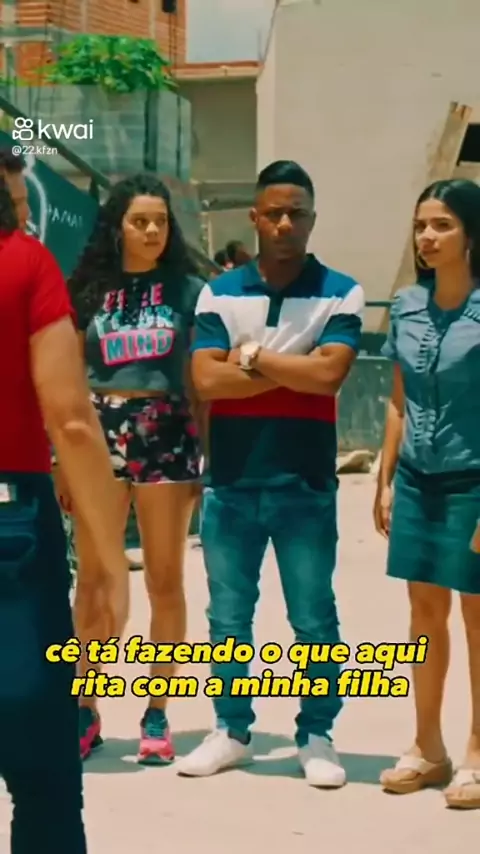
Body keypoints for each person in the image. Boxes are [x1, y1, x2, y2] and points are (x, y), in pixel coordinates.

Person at [177, 160, 365, 786]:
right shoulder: (219, 292)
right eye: (275, 213)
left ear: (312, 219)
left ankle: (317, 735)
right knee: (228, 619)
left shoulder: (341, 291)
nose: (286, 223)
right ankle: (231, 731)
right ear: (255, 217)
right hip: (231, 482)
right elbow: (205, 380)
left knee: (313, 619)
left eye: (297, 214)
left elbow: (330, 376)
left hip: (304, 484)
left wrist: (251, 357)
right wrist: (294, 365)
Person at [0, 150, 127, 851]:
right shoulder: (26, 263)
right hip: (11, 515)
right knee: (42, 766)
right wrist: (107, 564)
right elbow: (73, 421)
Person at [64, 173, 206, 763]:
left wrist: (205, 458)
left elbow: (200, 380)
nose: (152, 230)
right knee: (95, 580)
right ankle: (85, 706)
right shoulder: (87, 289)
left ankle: (157, 711)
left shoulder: (190, 290)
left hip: (166, 429)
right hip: (97, 431)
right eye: (140, 221)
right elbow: (66, 376)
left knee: (164, 579)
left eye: (161, 221)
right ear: (117, 225)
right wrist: (61, 458)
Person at [374, 179, 480, 808]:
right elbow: (397, 401)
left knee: (477, 615)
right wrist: (385, 479)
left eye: (442, 225)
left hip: (474, 481)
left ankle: (478, 751)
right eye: (420, 225)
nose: (427, 236)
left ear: (471, 233)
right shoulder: (407, 305)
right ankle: (428, 747)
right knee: (423, 614)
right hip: (417, 479)